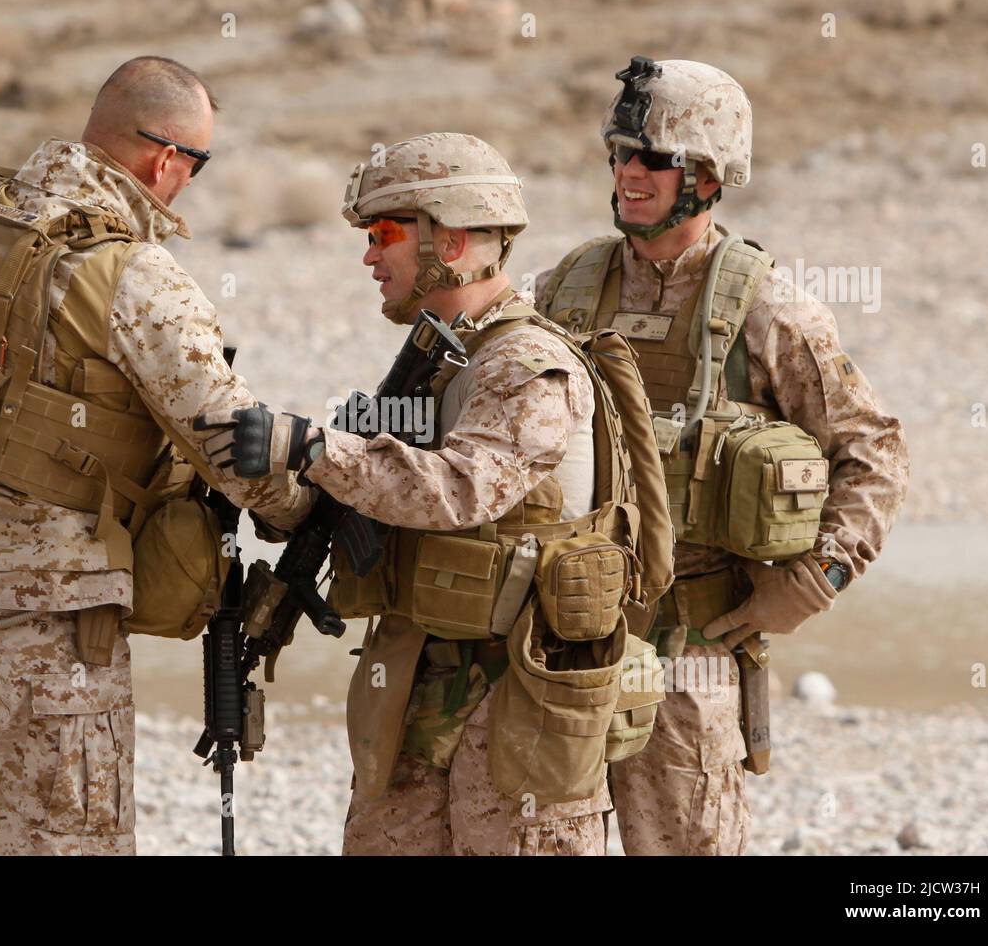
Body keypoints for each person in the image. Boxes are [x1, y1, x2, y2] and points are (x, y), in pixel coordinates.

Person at [0, 56, 309, 855]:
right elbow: (233, 445)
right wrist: (305, 508)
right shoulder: (130, 274)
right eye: (197, 164)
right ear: (167, 160)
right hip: (54, 616)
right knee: (70, 841)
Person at [198, 133, 673, 855]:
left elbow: (461, 489)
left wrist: (313, 446)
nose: (368, 255)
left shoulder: (526, 363)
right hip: (425, 687)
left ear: (450, 242)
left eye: (385, 234)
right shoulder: (445, 360)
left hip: (521, 700)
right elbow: (380, 492)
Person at [534, 57, 909, 855]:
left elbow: (872, 450)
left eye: (655, 160)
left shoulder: (768, 307)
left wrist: (817, 579)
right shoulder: (565, 287)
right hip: (561, 638)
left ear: (709, 175)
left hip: (692, 651)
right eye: (620, 153)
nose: (630, 173)